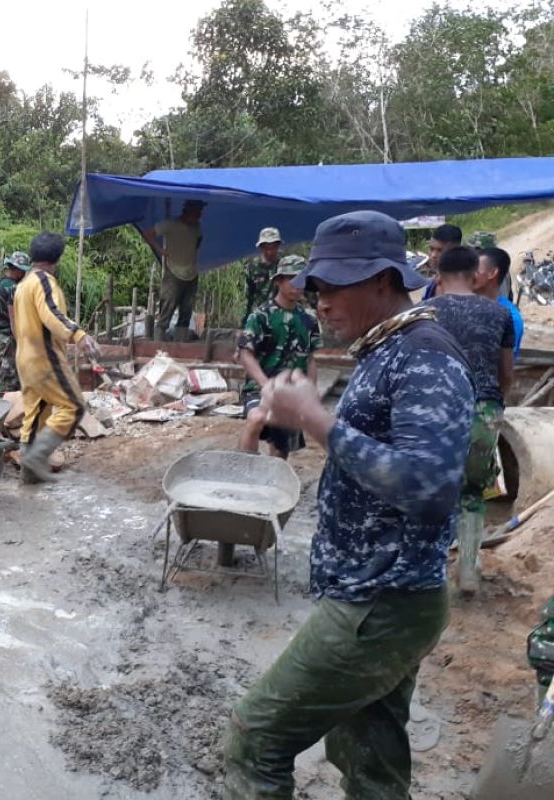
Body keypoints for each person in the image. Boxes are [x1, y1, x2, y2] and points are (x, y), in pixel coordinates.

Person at [222, 210, 473, 799]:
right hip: (385, 595)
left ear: (384, 280)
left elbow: (430, 488)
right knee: (370, 759)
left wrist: (315, 420)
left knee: (254, 740)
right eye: (316, 289)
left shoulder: (423, 356)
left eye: (334, 287)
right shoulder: (389, 350)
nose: (322, 303)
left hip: (379, 603)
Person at [426, 245, 514, 594]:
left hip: (437, 411)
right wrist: (494, 404)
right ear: (474, 274)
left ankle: (429, 573)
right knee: (473, 493)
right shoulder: (499, 315)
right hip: (484, 410)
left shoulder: (425, 311)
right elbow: (506, 373)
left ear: (439, 275)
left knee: (432, 490)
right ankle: (467, 572)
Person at [13, 232, 100, 483]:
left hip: (25, 358)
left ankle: (29, 474)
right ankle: (36, 457)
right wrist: (79, 335)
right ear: (57, 259)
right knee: (74, 406)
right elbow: (51, 314)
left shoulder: (24, 284)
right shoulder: (43, 282)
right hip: (44, 358)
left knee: (36, 414)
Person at [236, 256, 320, 459]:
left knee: (280, 452)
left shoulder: (308, 320)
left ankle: (273, 486)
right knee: (257, 418)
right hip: (260, 389)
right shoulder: (261, 316)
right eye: (291, 279)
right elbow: (245, 354)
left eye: (301, 279)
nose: (297, 285)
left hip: (291, 392)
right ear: (278, 282)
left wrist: (311, 393)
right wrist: (266, 385)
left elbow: (310, 359)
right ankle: (241, 472)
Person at [142, 199, 205, 341]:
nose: (199, 216)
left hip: (191, 273)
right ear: (189, 212)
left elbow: (198, 242)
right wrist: (161, 250)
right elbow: (148, 233)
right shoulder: (170, 224)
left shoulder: (197, 227)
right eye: (197, 212)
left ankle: (180, 342)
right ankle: (158, 342)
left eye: (200, 213)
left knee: (186, 311)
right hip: (174, 272)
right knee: (167, 308)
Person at [0, 251, 31, 392]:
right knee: (7, 381)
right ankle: (5, 411)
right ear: (18, 270)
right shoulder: (13, 288)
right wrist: (20, 341)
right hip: (9, 340)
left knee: (6, 374)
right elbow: (14, 319)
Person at [479, 246, 524, 357]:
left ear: (492, 273)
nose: (468, 273)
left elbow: (504, 368)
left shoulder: (511, 318)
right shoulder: (465, 304)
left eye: (475, 269)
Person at [243, 227, 282, 319]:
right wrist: (245, 322)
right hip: (258, 317)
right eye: (266, 248)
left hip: (280, 318)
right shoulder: (252, 268)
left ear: (278, 246)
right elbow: (247, 298)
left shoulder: (284, 266)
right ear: (260, 247)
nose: (270, 252)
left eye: (273, 247)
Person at [419, 223, 462, 301]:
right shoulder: (431, 284)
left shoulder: (463, 286)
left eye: (440, 250)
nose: (433, 255)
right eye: (431, 249)